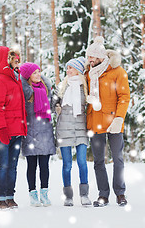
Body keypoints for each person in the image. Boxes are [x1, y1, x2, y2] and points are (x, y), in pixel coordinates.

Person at [85, 36, 130, 207]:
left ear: (101, 57)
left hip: (113, 122)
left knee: (117, 158)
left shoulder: (117, 71)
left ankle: (120, 193)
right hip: (95, 121)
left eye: (93, 57)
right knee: (98, 161)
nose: (90, 60)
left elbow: (124, 97)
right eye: (89, 57)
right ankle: (103, 195)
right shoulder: (88, 73)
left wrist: (119, 118)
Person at [0, 46, 27, 210]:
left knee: (12, 166)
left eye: (18, 60)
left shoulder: (16, 79)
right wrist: (2, 128)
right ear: (6, 61)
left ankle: (10, 196)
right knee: (2, 165)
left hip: (16, 131)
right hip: (2, 132)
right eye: (14, 60)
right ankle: (0, 198)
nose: (17, 63)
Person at [53, 57, 92, 206]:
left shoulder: (85, 87)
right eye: (67, 68)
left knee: (82, 162)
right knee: (67, 165)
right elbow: (53, 103)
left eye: (71, 68)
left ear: (79, 70)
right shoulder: (62, 87)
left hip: (81, 129)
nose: (68, 71)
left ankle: (84, 194)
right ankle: (68, 196)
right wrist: (56, 106)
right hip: (64, 129)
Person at [19, 62, 56, 207]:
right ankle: (33, 194)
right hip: (31, 132)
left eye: (39, 71)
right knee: (32, 165)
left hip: (45, 131)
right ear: (28, 76)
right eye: (35, 73)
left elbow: (52, 107)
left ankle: (44, 194)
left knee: (45, 165)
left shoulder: (45, 88)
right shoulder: (25, 91)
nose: (38, 74)